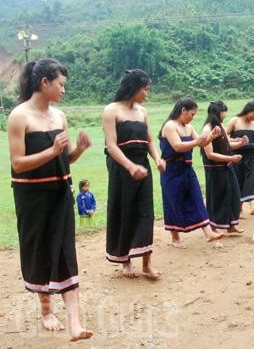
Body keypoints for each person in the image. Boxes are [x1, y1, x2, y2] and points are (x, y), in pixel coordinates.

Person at [7, 58, 92, 341]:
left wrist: (77, 149)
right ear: (45, 83)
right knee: (39, 250)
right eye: (61, 85)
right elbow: (18, 164)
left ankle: (75, 324)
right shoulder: (19, 116)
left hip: (59, 194)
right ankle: (46, 310)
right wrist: (52, 150)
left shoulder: (60, 116)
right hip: (32, 198)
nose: (63, 91)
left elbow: (63, 161)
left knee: (66, 250)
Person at [103, 69, 163, 279]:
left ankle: (147, 263)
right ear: (134, 88)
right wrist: (129, 166)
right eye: (145, 89)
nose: (147, 94)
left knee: (146, 212)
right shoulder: (112, 110)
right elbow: (111, 145)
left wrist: (157, 159)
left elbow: (149, 141)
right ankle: (125, 260)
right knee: (124, 211)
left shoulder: (142, 112)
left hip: (142, 165)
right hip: (121, 168)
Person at [159, 97, 224, 249]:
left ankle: (208, 233)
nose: (192, 117)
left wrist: (211, 137)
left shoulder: (189, 127)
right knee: (173, 202)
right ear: (183, 110)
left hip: (187, 168)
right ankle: (175, 238)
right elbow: (177, 146)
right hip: (172, 171)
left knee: (197, 197)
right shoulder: (170, 126)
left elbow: (202, 143)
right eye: (192, 114)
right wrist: (198, 141)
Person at [201, 101, 248, 234]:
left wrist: (241, 143)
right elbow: (210, 154)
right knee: (216, 196)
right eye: (224, 111)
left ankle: (231, 225)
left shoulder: (220, 126)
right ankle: (213, 227)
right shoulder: (207, 129)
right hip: (214, 169)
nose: (225, 115)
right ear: (219, 112)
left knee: (233, 193)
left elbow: (227, 145)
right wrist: (231, 158)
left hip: (226, 166)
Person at [226, 101, 254, 217]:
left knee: (251, 179)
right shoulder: (234, 121)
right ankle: (239, 209)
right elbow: (223, 138)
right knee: (238, 181)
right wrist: (236, 141)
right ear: (249, 110)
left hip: (251, 157)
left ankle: (253, 206)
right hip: (237, 157)